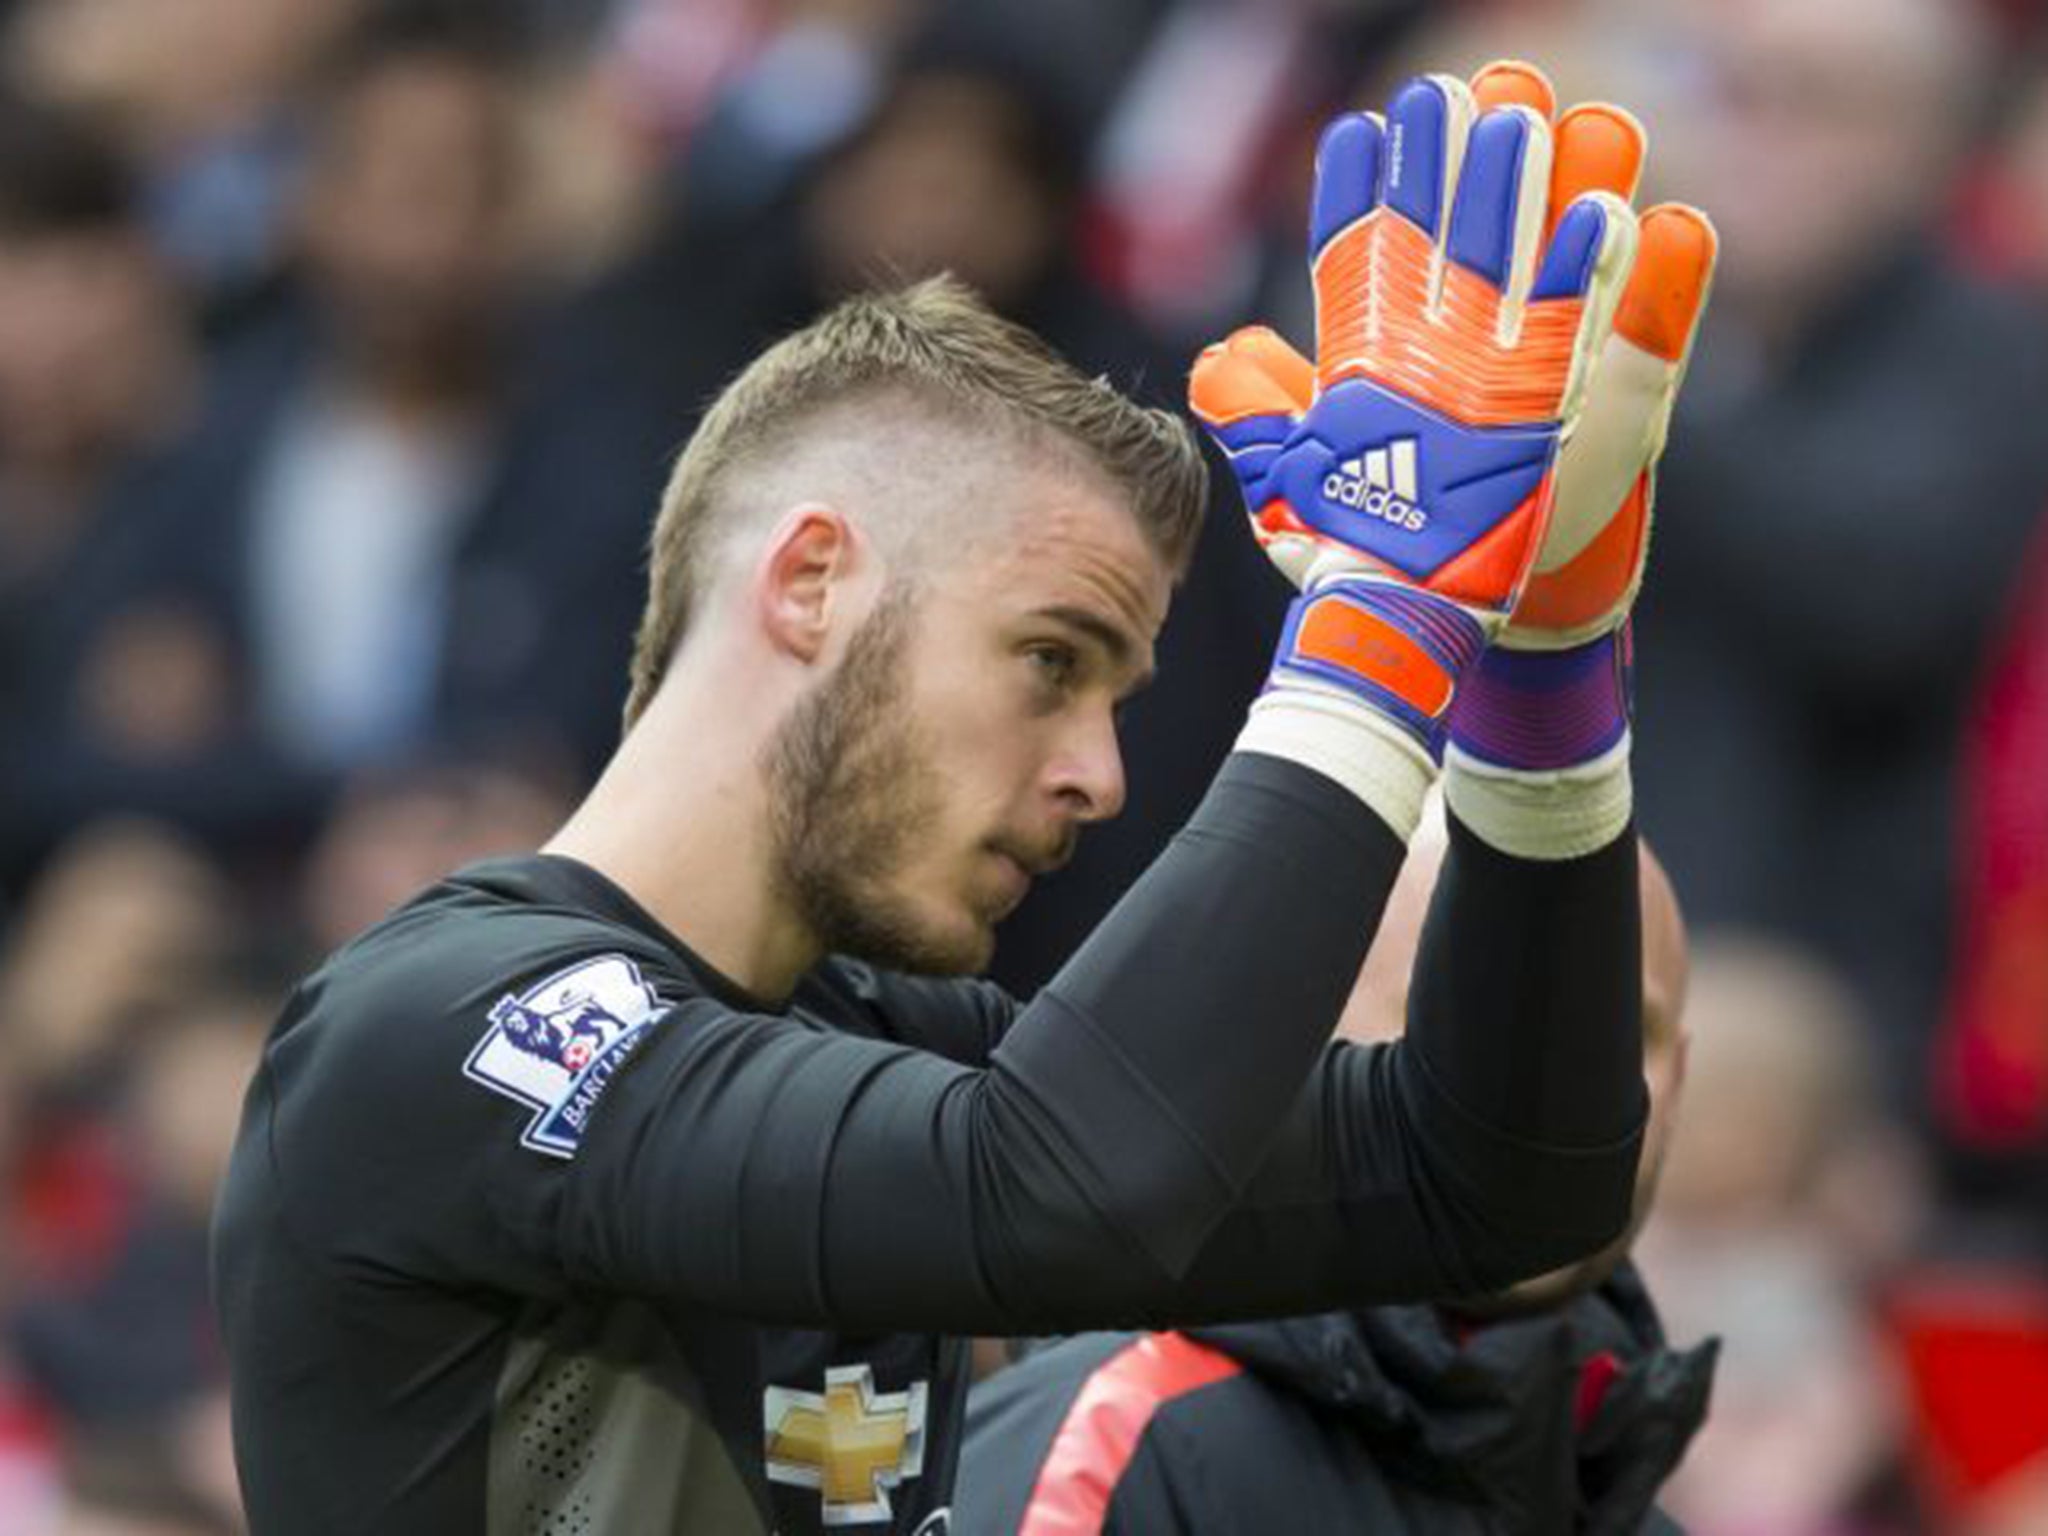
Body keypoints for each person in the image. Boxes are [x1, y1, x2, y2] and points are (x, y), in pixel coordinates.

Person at [213, 63, 1703, 1533]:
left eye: (1118, 699)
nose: (1100, 776)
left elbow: (1509, 1188)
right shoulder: (455, 1027)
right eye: (1050, 658)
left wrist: (1541, 676)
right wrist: (1382, 632)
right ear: (810, 583)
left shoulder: (886, 1044)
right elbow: (1045, 1189)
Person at [952, 806, 1715, 1534]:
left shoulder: (1632, 1491)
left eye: (1616, 1030)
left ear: (1679, 1079)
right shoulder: (1116, 1452)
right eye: (1475, 1014)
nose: (1550, 1086)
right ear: (1306, 1035)